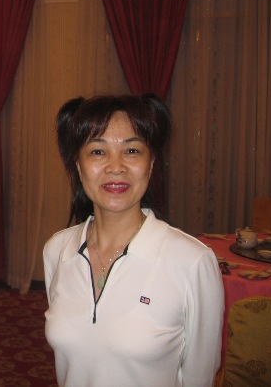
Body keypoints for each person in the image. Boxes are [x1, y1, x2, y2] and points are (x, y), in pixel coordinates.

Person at [43, 94, 224, 387]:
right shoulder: (57, 251)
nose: (116, 167)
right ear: (78, 165)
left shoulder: (192, 262)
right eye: (98, 151)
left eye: (131, 150)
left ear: (151, 164)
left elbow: (199, 377)